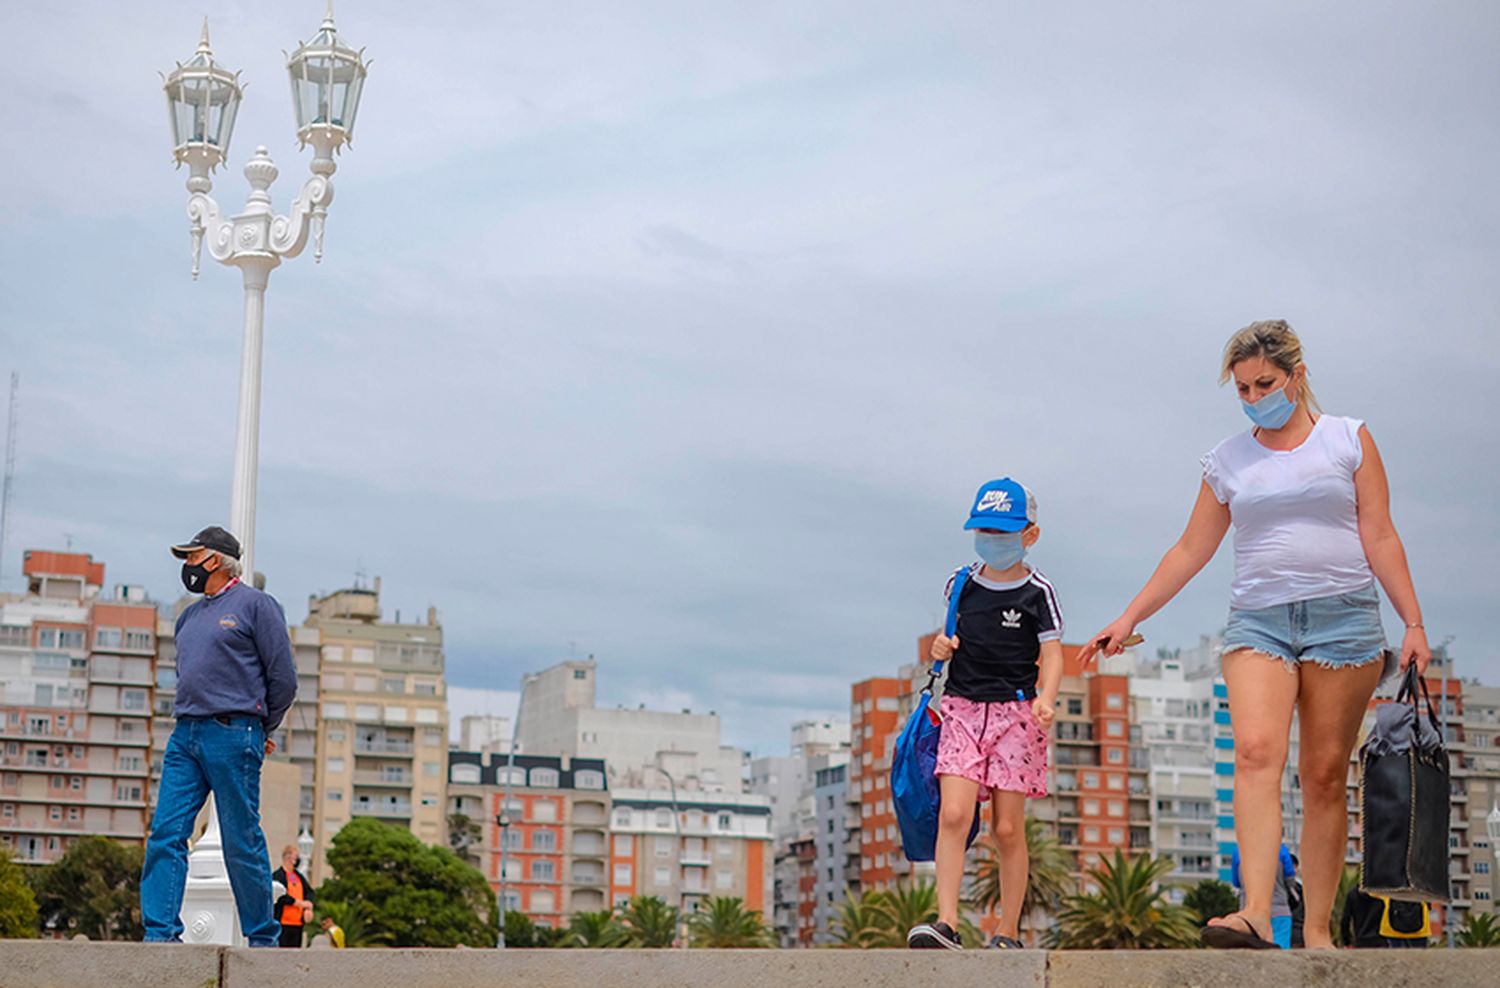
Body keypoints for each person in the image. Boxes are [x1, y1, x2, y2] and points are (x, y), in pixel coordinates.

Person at [1078, 321, 1431, 950]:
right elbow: (1190, 548)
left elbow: (1379, 534)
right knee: (1255, 753)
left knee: (1323, 776)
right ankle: (1255, 913)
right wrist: (1131, 616)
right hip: (1258, 621)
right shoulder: (1229, 460)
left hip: (1344, 619)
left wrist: (1412, 621)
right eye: (1241, 389)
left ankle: (1317, 932)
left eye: (1263, 383)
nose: (1252, 397)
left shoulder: (1348, 440)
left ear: (1296, 375)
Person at [908, 479, 1063, 950]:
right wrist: (939, 646)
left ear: (1029, 535)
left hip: (1016, 714)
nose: (992, 539)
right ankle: (948, 922)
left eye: (1003, 530)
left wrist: (1048, 698)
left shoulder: (1038, 592)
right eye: (984, 530)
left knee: (1007, 827)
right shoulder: (961, 583)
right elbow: (947, 638)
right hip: (961, 709)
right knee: (953, 813)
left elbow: (1053, 653)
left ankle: (1008, 931)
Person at [140, 526, 298, 946]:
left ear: (213, 560)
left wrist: (263, 726)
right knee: (166, 833)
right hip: (185, 735)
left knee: (240, 838)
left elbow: (283, 678)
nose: (186, 566)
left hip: (234, 733)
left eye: (191, 557)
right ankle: (160, 936)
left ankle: (262, 939)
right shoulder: (188, 617)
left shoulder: (256, 606)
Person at [1230, 843, 1297, 948]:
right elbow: (1290, 881)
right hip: (1279, 909)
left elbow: (1236, 882)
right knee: (1281, 952)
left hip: (1247, 912)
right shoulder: (1281, 849)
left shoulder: (1238, 850)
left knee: (1252, 952)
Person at [1341, 886, 1430, 948]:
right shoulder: (1382, 891)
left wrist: (1347, 941)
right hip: (1382, 939)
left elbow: (1345, 920)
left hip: (1362, 940)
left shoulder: (1353, 894)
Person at [272, 845, 314, 947]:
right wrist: (298, 903)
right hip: (283, 923)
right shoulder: (278, 876)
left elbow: (309, 892)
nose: (297, 860)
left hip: (297, 924)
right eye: (296, 857)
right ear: (289, 857)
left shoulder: (298, 877)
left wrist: (308, 907)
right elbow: (280, 896)